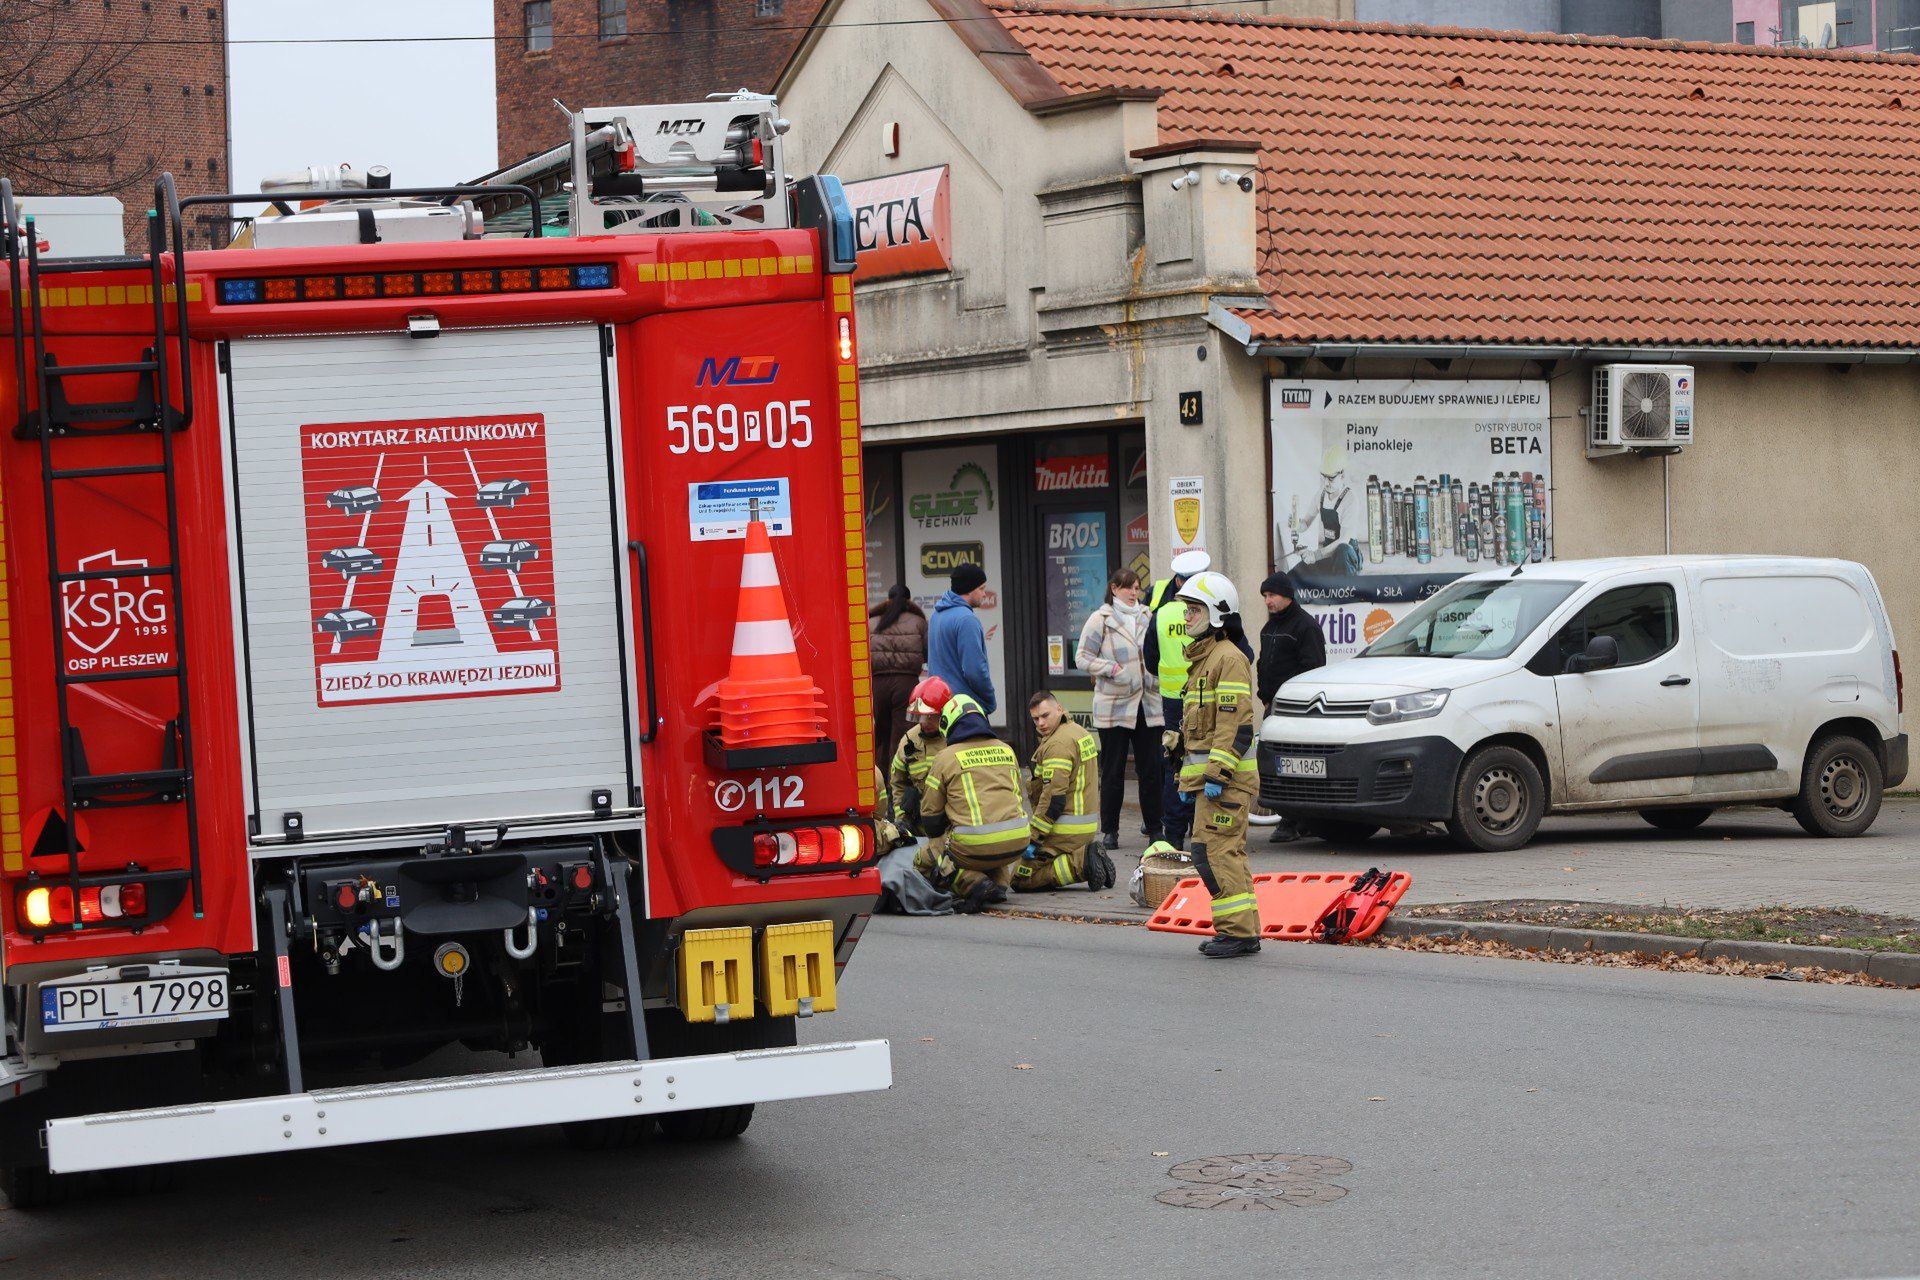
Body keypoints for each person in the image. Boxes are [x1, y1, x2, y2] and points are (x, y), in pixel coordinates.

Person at [1175, 571, 1263, 958]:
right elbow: (1204, 730)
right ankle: (1243, 931)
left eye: (1194, 609)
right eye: (1187, 609)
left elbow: (1236, 725)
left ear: (1216, 613)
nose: (1187, 617)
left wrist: (1216, 774)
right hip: (1213, 783)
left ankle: (1238, 935)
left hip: (1226, 782)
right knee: (1218, 852)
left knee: (1215, 854)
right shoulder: (1206, 659)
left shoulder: (1227, 659)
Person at [913, 694, 1030, 913]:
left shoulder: (946, 756)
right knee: (993, 844)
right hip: (1018, 841)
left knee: (925, 859)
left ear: (948, 724)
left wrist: (941, 833)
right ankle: (999, 885)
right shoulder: (1007, 749)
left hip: (973, 846)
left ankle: (973, 882)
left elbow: (930, 814)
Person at [1075, 568, 1163, 850]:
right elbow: (1083, 658)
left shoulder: (1149, 617)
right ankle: (1110, 831)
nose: (1133, 593)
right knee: (1112, 771)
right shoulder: (1100, 619)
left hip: (1147, 703)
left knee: (1150, 770)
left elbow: (1158, 652)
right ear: (1114, 589)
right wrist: (1112, 669)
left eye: (1137, 588)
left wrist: (1154, 676)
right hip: (1113, 705)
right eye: (1128, 588)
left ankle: (1154, 828)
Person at [1014, 692, 1116, 892]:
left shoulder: (1058, 745)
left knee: (1020, 878)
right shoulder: (1078, 732)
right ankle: (1086, 856)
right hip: (1085, 825)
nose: (1041, 723)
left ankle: (1081, 863)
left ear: (1059, 709)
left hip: (1065, 829)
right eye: (1036, 718)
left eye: (1045, 715)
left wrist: (1034, 838)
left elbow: (1054, 800)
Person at [1144, 548, 1210, 850]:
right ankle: (1200, 828)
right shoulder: (1212, 611)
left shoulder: (1161, 612)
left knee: (1174, 763)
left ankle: (1173, 834)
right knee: (1202, 760)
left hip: (1172, 701)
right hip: (1205, 697)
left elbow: (1150, 658)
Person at [1255, 570, 1327, 844]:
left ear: (1287, 596)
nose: (1268, 601)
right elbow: (1263, 664)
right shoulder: (1269, 628)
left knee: (1296, 764)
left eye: (1272, 595)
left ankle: (1293, 821)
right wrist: (1264, 695)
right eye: (1264, 596)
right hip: (1273, 707)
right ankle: (1295, 817)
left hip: (1298, 711)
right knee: (1275, 763)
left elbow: (1314, 669)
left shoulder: (1304, 626)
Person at [926, 563, 996, 717]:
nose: (985, 594)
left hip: (940, 705)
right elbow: (975, 670)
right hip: (964, 710)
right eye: (981, 588)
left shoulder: (936, 616)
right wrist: (990, 699)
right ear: (969, 589)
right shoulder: (966, 619)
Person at [869, 584, 927, 768]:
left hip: (879, 684)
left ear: (888, 599)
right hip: (906, 683)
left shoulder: (872, 622)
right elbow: (927, 652)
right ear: (909, 601)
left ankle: (881, 783)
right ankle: (898, 784)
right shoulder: (918, 622)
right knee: (903, 734)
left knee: (881, 736)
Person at [888, 676, 950, 837]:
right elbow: (897, 782)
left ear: (944, 714)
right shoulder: (909, 740)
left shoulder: (955, 737)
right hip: (919, 828)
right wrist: (901, 820)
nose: (923, 723)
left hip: (952, 825)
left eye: (930, 717)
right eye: (920, 716)